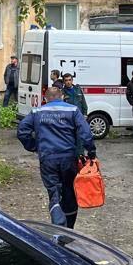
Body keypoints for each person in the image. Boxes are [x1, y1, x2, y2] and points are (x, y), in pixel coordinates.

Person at [17, 86, 96, 228]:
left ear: (45, 99)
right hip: (68, 158)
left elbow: (22, 131)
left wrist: (34, 146)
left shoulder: (37, 111)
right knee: (69, 192)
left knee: (54, 191)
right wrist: (91, 152)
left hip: (48, 159)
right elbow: (86, 132)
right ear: (62, 96)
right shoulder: (72, 110)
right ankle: (69, 229)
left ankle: (58, 224)